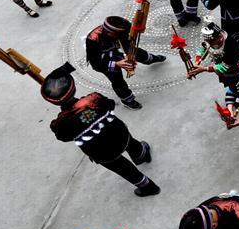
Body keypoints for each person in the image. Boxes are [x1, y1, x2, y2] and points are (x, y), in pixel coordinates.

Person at [42, 63, 159, 196]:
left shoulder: (61, 123)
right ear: (73, 88)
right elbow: (110, 105)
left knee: (122, 167)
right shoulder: (94, 98)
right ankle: (141, 155)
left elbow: (63, 137)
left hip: (101, 152)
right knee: (130, 143)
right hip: (118, 133)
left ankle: (148, 186)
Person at [85, 16, 167, 109]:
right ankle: (127, 100)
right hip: (105, 60)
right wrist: (116, 64)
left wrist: (130, 57)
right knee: (117, 79)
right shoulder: (92, 40)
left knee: (136, 52)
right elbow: (96, 64)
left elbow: (128, 46)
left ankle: (151, 59)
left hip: (116, 50)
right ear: (111, 33)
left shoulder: (120, 31)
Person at [187, 20, 239, 102]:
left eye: (211, 41)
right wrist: (197, 61)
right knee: (231, 86)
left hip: (236, 70)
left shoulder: (230, 44)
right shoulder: (210, 41)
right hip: (222, 71)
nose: (209, 44)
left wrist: (203, 69)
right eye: (208, 41)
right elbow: (203, 48)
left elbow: (225, 66)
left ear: (219, 37)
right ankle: (236, 94)